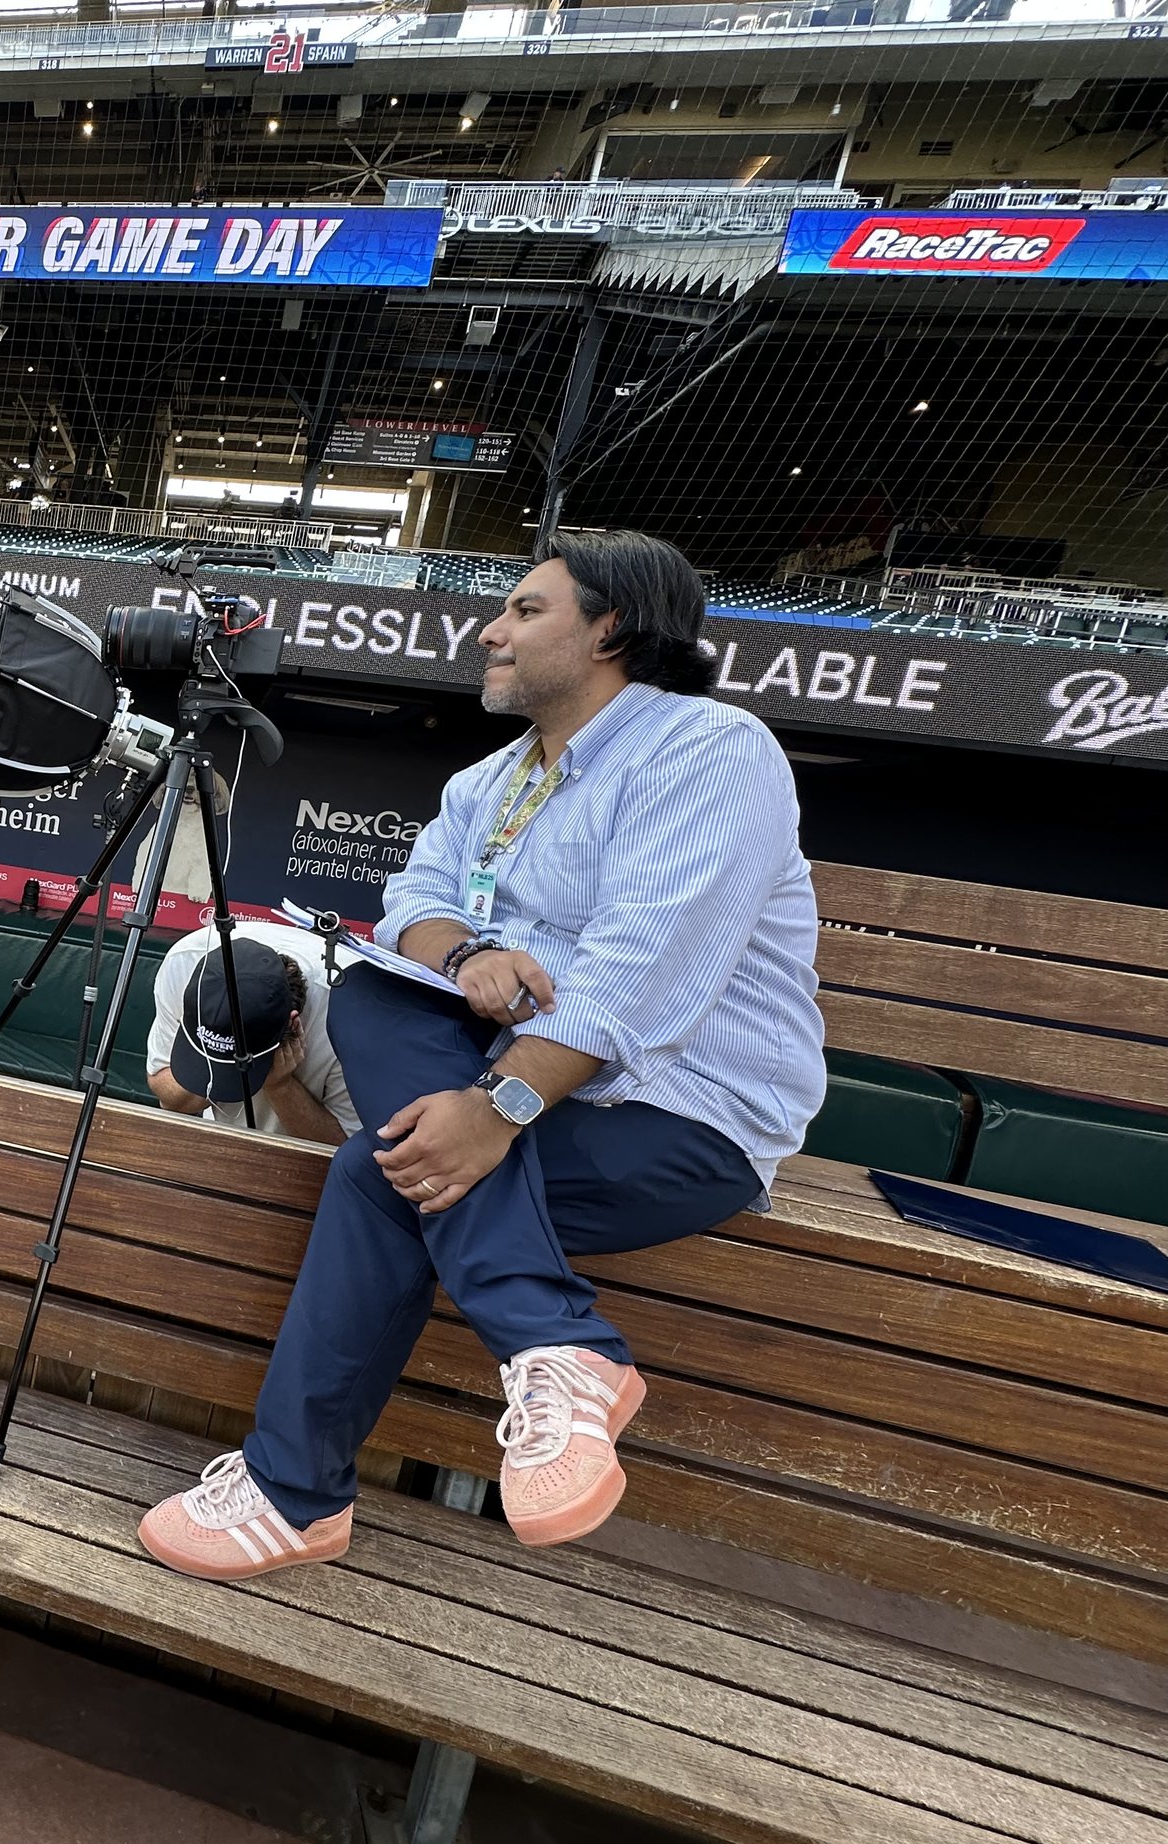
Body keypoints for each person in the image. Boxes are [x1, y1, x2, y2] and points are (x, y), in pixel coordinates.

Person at [138, 529, 825, 1580]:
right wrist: (466, 953)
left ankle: (294, 1498)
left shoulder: (707, 748)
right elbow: (411, 902)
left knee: (382, 1174)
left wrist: (493, 1110)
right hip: (510, 1083)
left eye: (525, 610)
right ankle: (557, 1347)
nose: (491, 631)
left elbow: (636, 980)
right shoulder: (492, 779)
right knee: (370, 990)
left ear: (612, 628)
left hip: (682, 1121)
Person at [145, 923, 357, 1144]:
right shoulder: (182, 965)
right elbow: (169, 1100)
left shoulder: (349, 1015)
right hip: (217, 1144)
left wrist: (280, 1086)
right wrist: (217, 1071)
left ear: (293, 1025)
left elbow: (345, 1148)